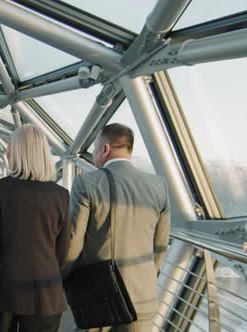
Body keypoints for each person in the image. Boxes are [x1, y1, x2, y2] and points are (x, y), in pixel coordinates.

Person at [63, 123, 171, 332]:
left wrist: (61, 278)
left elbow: (73, 243)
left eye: (95, 147)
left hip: (99, 297)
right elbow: (160, 246)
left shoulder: (86, 183)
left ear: (105, 149)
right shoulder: (159, 186)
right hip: (142, 299)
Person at [0, 124, 70, 332]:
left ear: (18, 151)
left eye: (10, 146)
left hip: (3, 293)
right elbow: (62, 252)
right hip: (47, 295)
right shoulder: (61, 195)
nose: (7, 152)